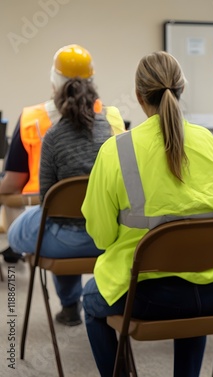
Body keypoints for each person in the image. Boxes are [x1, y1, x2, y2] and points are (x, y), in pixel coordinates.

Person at [81, 51, 213, 377]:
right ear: (181, 90)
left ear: (139, 97)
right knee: (192, 276)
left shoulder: (117, 150)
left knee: (90, 300)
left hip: (145, 297)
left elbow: (100, 236)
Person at [7, 75, 120, 326]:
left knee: (20, 233)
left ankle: (70, 305)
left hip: (65, 242)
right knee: (63, 218)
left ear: (58, 104)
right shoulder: (109, 131)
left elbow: (48, 199)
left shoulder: (53, 136)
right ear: (94, 100)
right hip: (108, 239)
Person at [0, 44, 125, 263]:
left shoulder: (39, 125)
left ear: (54, 81)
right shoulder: (111, 119)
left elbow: (46, 199)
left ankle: (68, 298)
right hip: (108, 231)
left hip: (52, 219)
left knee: (25, 229)